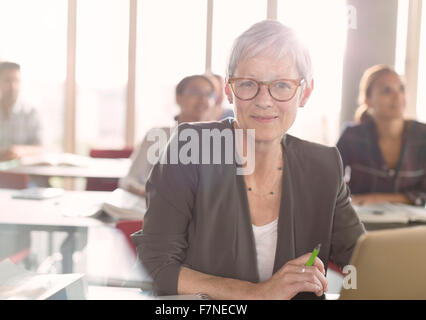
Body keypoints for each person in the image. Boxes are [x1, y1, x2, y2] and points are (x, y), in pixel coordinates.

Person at [132, 20, 365, 300]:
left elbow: (362, 261)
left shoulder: (324, 165)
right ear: (229, 91)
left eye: (281, 85)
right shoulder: (191, 148)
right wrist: (258, 293)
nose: (264, 100)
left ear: (305, 92)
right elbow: (156, 265)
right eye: (247, 84)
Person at [337, 65, 426, 206]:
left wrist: (376, 198)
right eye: (387, 91)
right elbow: (330, 182)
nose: (398, 97)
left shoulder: (422, 135)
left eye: (401, 89)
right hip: (362, 223)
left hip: (416, 226)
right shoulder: (352, 136)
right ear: (368, 100)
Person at [118, 74, 216, 197]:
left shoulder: (219, 141)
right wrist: (148, 193)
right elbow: (129, 180)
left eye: (209, 94)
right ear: (178, 98)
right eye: (195, 92)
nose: (203, 99)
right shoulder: (158, 136)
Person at [0, 62, 42, 161]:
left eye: (16, 80)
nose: (12, 86)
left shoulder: (31, 113)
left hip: (24, 172)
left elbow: (40, 147)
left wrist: (22, 151)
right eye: (7, 80)